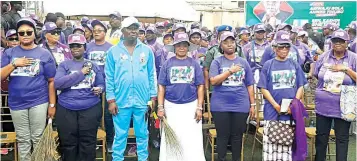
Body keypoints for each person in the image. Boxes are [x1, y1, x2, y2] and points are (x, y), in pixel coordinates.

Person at [0, 18, 57, 161]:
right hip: (16, 102)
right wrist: (14, 64)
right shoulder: (9, 53)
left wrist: (52, 105)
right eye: (21, 33)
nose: (25, 35)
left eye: (28, 32)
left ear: (34, 33)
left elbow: (51, 81)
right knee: (23, 139)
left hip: (39, 101)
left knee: (37, 137)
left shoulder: (44, 54)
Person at [105, 16, 157, 161]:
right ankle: (117, 158)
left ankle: (143, 158)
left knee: (142, 134)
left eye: (136, 28)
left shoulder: (147, 50)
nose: (133, 31)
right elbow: (109, 76)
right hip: (121, 100)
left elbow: (152, 74)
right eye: (130, 28)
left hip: (142, 99)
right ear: (123, 30)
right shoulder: (113, 51)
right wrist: (111, 100)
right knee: (120, 134)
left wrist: (153, 97)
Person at [257, 30, 307, 161]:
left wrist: (295, 104)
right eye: (281, 46)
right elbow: (263, 87)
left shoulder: (294, 64)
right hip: (272, 112)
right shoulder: (268, 65)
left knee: (288, 146)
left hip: (291, 112)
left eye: (287, 46)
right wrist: (275, 105)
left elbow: (301, 85)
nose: (284, 49)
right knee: (271, 147)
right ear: (274, 48)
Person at [54, 34, 105, 161]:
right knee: (68, 143)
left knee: (88, 142)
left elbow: (101, 83)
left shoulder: (93, 65)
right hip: (67, 108)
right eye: (72, 46)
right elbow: (58, 84)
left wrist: (100, 88)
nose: (75, 48)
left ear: (85, 47)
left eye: (78, 45)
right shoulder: (64, 65)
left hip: (90, 108)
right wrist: (80, 73)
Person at [157, 32, 205, 161]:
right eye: (178, 45)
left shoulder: (194, 64)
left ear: (188, 47)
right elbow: (161, 86)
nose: (182, 48)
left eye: (184, 45)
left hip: (190, 105)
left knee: (191, 136)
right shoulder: (167, 64)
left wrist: (199, 107)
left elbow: (200, 85)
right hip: (171, 106)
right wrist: (160, 107)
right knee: (173, 135)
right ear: (174, 47)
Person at [209, 31, 255, 161]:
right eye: (226, 42)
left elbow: (249, 84)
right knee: (222, 136)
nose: (229, 45)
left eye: (232, 42)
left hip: (240, 105)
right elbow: (213, 81)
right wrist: (230, 71)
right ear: (221, 46)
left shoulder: (243, 62)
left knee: (237, 136)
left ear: (236, 44)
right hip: (220, 106)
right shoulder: (216, 62)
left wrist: (252, 104)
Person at [313, 29, 356, 161]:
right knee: (321, 139)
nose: (338, 43)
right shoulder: (324, 57)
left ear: (347, 42)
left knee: (342, 140)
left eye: (341, 41)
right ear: (331, 42)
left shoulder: (353, 58)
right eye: (335, 41)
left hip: (343, 107)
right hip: (323, 106)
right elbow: (316, 74)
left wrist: (346, 69)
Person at [85, 19, 114, 152]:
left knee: (108, 115)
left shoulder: (111, 48)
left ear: (105, 32)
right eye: (94, 30)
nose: (96, 33)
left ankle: (109, 141)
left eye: (99, 30)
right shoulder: (88, 46)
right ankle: (94, 141)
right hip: (92, 86)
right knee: (93, 114)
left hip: (108, 85)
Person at [203, 25, 245, 91]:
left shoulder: (238, 49)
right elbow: (206, 69)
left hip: (236, 86)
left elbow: (244, 67)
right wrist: (206, 87)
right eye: (223, 34)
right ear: (218, 36)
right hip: (217, 87)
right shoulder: (212, 50)